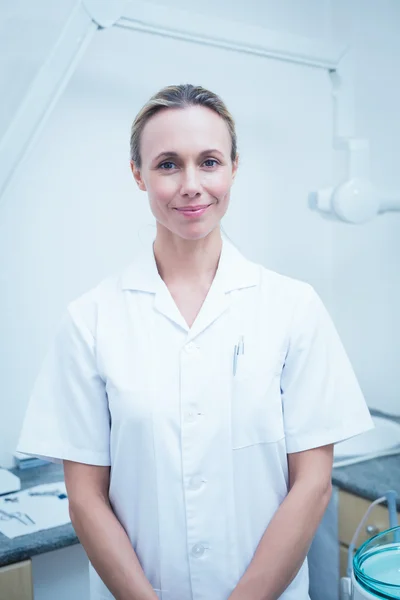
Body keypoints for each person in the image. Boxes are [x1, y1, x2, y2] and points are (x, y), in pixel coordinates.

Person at [17, 84, 374, 600]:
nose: (191, 185)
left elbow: (312, 485)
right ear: (137, 173)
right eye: (167, 164)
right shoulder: (92, 319)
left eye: (209, 162)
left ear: (233, 168)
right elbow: (86, 498)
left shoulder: (293, 307)